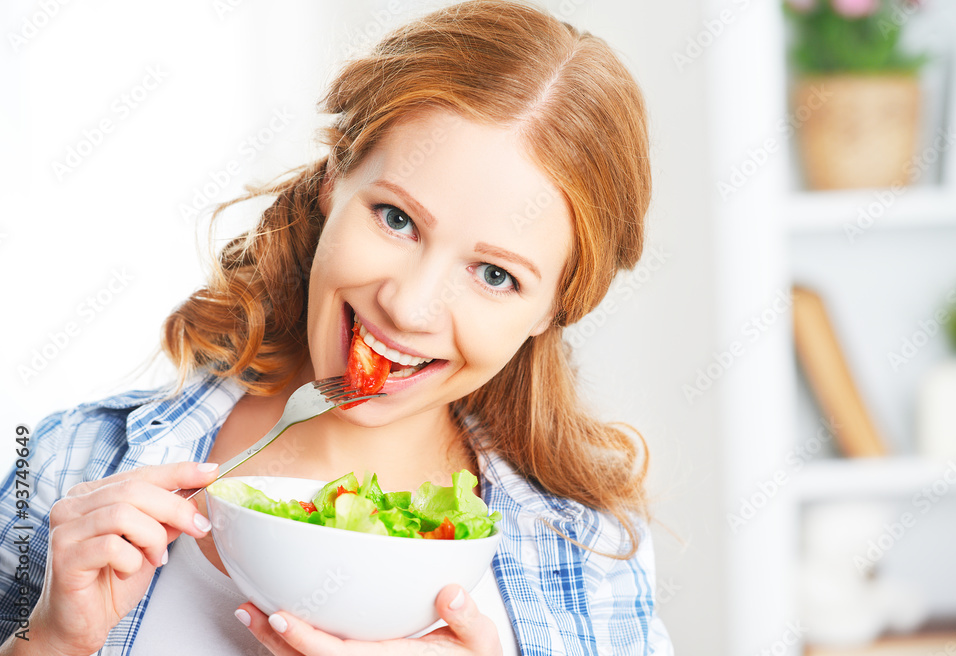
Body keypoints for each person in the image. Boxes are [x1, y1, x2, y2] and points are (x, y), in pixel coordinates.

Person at [0, 1, 672, 654]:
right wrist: (50, 644)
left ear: (554, 309)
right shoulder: (71, 463)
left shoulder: (588, 552)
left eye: (495, 275)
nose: (409, 307)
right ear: (334, 180)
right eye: (396, 219)